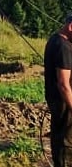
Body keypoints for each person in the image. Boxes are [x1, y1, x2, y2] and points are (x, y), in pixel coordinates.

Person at [45, 13, 72, 166]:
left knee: (61, 140)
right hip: (64, 103)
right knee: (66, 144)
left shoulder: (56, 40)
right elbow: (63, 84)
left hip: (59, 101)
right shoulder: (63, 47)